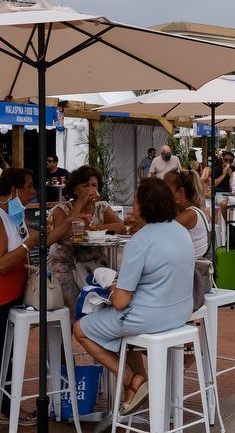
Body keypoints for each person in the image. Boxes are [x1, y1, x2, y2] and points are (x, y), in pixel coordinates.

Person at [0, 167, 80, 433]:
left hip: (9, 295)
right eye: (30, 187)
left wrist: (78, 211)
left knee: (6, 355)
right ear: (15, 190)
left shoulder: (13, 214)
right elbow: (1, 263)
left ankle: (5, 408)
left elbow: (45, 239)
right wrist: (29, 244)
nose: (34, 192)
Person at [72, 178, 195, 417]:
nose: (132, 204)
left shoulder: (140, 240)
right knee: (121, 335)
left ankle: (134, 381)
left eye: (135, 200)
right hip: (180, 312)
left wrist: (111, 288)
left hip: (149, 316)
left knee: (80, 329)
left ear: (143, 206)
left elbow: (120, 302)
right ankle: (139, 387)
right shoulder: (181, 231)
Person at [47, 166, 129, 310]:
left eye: (94, 185)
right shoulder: (61, 210)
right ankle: (74, 327)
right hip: (65, 266)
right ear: (75, 189)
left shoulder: (101, 207)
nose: (91, 189)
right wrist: (80, 204)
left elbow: (121, 227)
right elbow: (61, 237)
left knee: (111, 292)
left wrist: (95, 228)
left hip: (94, 265)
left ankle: (95, 326)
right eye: (85, 185)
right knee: (75, 305)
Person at [164, 168, 212, 260]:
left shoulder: (190, 214)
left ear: (180, 191)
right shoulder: (187, 211)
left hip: (193, 271)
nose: (162, 191)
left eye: (166, 188)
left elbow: (159, 232)